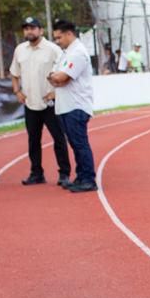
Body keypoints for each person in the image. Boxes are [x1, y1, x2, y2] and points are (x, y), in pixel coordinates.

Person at [9, 17, 71, 188]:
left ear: (41, 31)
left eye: (33, 28)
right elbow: (14, 73)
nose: (29, 31)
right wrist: (17, 91)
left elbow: (66, 71)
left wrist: (56, 92)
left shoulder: (53, 49)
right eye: (26, 28)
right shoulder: (20, 50)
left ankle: (64, 173)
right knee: (33, 140)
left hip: (50, 103)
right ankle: (36, 173)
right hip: (30, 103)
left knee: (59, 139)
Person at [49, 19, 97, 193]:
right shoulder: (66, 52)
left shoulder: (78, 53)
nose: (57, 41)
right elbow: (54, 76)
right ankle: (81, 176)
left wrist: (57, 77)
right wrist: (56, 77)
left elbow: (61, 78)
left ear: (69, 34)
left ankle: (89, 179)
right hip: (65, 105)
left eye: (59, 37)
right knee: (76, 145)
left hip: (76, 106)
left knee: (80, 144)